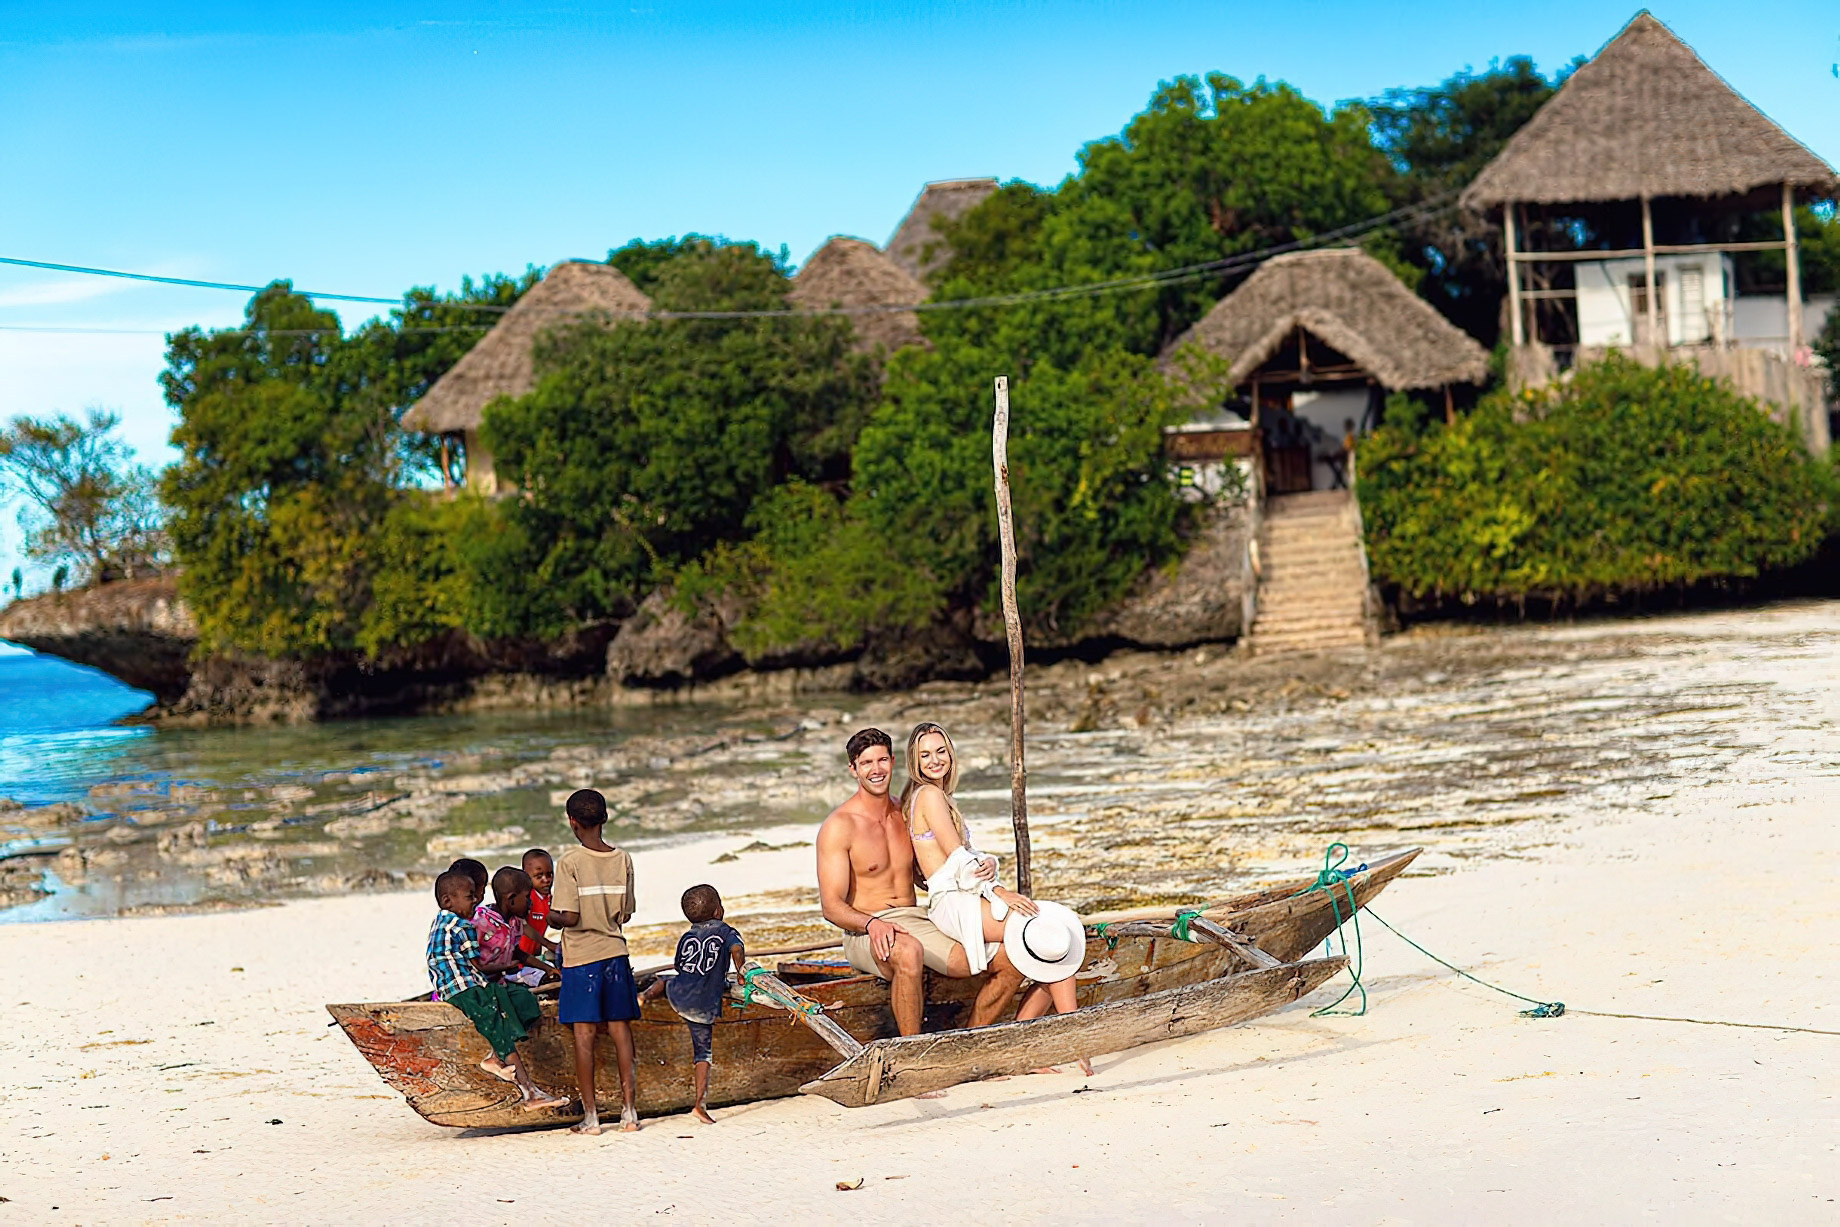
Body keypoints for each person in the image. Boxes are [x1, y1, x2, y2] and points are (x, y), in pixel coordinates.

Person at [902, 722, 1092, 1073]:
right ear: (914, 761)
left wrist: (989, 862)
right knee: (1047, 930)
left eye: (941, 751)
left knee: (1044, 944)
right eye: (925, 754)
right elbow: (958, 860)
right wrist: (1000, 890)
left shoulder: (941, 797)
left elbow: (965, 855)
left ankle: (1026, 1046)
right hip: (954, 902)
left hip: (966, 894)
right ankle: (1074, 1036)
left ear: (951, 754)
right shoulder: (927, 795)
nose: (935, 760)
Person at [816, 728, 1027, 1039]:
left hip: (918, 920)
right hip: (866, 931)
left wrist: (984, 873)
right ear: (853, 769)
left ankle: (970, 1044)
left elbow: (932, 876)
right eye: (866, 763)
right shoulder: (839, 826)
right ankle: (912, 1056)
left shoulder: (906, 812)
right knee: (909, 951)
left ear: (893, 762)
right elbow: (831, 907)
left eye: (882, 760)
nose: (876, 770)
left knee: (1012, 957)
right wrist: (872, 925)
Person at [425, 869, 567, 1112]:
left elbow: (514, 954)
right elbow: (478, 965)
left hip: (479, 981)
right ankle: (529, 1091)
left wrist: (537, 967)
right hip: (463, 986)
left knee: (523, 1000)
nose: (476, 901)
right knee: (496, 1019)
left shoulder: (500, 923)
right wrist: (508, 966)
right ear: (449, 901)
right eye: (470, 896)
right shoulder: (464, 925)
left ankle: (494, 1056)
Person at [550, 789, 641, 1135]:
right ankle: (629, 1112)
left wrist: (548, 917)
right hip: (615, 955)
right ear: (604, 818)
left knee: (584, 1037)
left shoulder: (570, 862)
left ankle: (591, 1118)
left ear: (572, 823)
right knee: (621, 1032)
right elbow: (626, 913)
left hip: (581, 960)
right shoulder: (623, 859)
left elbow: (569, 916)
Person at [639, 884, 745, 1124]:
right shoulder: (727, 931)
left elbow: (680, 966)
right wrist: (741, 974)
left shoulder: (687, 935)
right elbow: (737, 950)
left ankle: (644, 996)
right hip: (701, 1002)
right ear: (719, 910)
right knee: (703, 1053)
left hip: (678, 992)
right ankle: (699, 1104)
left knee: (665, 981)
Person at [476, 866, 557, 987]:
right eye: (527, 897)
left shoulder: (515, 921)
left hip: (501, 977)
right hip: (481, 981)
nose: (530, 902)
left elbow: (518, 953)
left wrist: (547, 969)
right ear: (511, 900)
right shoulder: (483, 921)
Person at [518, 848, 560, 963]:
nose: (546, 880)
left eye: (549, 874)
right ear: (526, 876)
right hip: (520, 956)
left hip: (535, 952)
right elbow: (523, 926)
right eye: (539, 876)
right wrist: (548, 944)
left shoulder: (548, 898)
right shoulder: (526, 898)